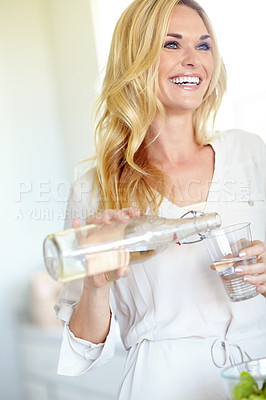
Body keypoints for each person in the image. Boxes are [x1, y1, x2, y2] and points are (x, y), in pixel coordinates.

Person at [55, 0, 266, 399]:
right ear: (136, 58)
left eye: (203, 46)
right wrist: (96, 283)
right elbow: (83, 349)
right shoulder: (96, 189)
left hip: (258, 374)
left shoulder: (252, 154)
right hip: (162, 384)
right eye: (172, 44)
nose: (193, 60)